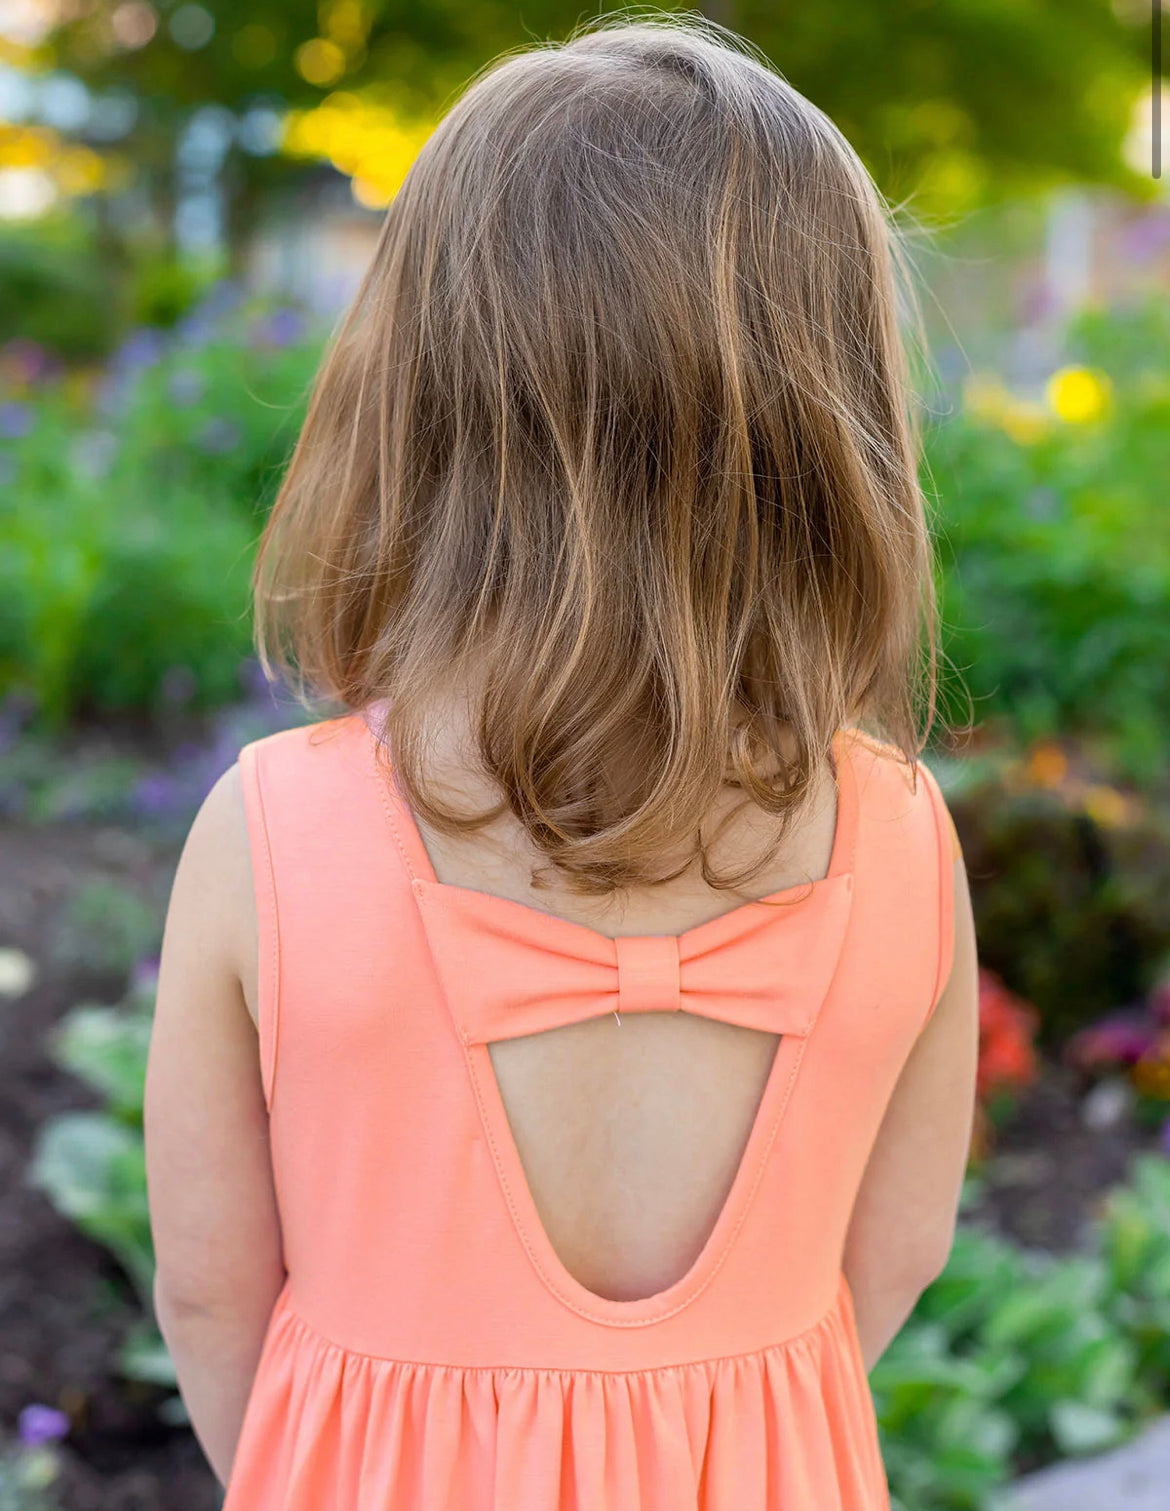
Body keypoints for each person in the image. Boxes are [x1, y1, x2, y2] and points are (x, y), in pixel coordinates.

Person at [143, 11, 979, 1508]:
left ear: (419, 389)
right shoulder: (902, 835)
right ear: (829, 410)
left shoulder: (270, 829)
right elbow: (895, 1252)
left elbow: (210, 1293)